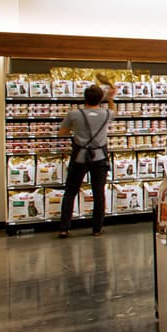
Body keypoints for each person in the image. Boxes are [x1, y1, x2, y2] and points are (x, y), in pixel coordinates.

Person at [58, 83, 116, 237]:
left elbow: (62, 132)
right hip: (100, 158)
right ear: (100, 99)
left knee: (70, 192)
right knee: (98, 193)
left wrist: (76, 131)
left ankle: (64, 228)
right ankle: (97, 229)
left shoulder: (73, 114)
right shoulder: (106, 114)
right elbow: (113, 110)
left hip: (79, 157)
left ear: (84, 98)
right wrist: (110, 98)